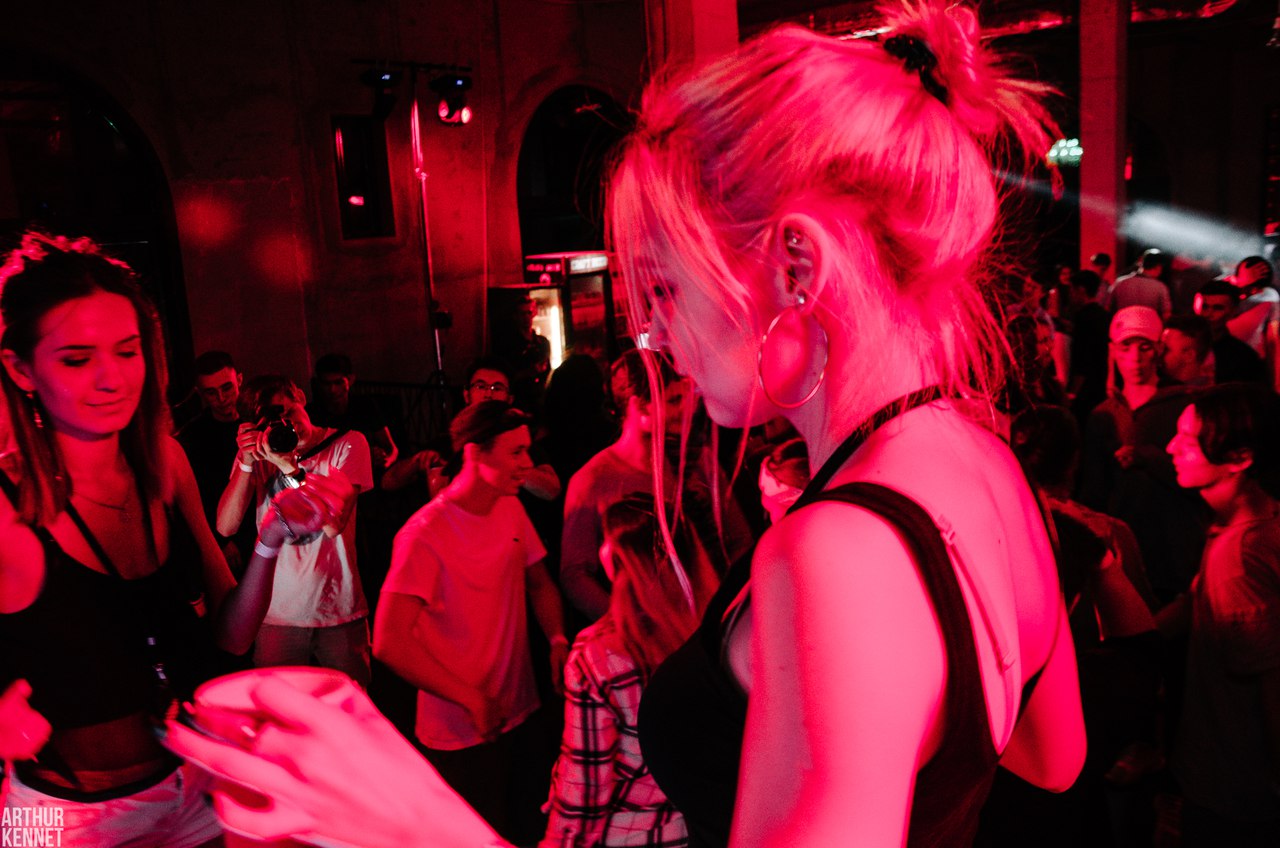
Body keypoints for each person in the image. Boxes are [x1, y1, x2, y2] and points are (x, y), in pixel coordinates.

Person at [164, 5, 1086, 847]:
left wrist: (409, 819)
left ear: (795, 266)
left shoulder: (837, 552)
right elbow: (1051, 756)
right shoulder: (984, 461)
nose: (652, 333)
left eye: (665, 289)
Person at [0, 231, 346, 846]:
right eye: (77, 359)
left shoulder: (165, 461)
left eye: (127, 351)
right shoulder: (9, 503)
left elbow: (232, 635)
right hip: (65, 814)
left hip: (193, 781)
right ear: (21, 368)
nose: (111, 378)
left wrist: (269, 542)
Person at [374, 401, 568, 844]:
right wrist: (470, 699)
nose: (527, 464)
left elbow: (539, 581)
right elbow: (388, 641)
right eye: (516, 452)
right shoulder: (425, 534)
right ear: (475, 452)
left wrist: (557, 639)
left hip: (520, 712)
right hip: (459, 734)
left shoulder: (509, 506)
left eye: (527, 450)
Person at [541, 494, 718, 848]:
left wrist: (557, 842)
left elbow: (585, 789)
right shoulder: (718, 631)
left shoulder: (599, 656)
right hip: (699, 830)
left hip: (629, 835)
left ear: (615, 559)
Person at [1163, 384, 1280, 846]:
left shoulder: (1240, 559)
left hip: (1235, 793)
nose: (1171, 448)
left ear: (1239, 458)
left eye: (1189, 440)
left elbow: (1271, 688)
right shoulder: (1244, 525)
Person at [216, 374, 374, 688]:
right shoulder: (262, 454)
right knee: (279, 708)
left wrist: (288, 466)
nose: (288, 424)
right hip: (277, 614)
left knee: (350, 704)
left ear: (301, 397)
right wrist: (246, 462)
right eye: (274, 420)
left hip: (339, 609)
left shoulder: (347, 442)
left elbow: (333, 524)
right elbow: (225, 525)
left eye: (288, 412)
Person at [176, 350, 254, 573]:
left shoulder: (257, 420)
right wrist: (221, 541)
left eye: (226, 388)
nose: (221, 398)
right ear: (199, 393)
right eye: (211, 393)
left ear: (239, 380)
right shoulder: (192, 438)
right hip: (227, 538)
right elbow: (193, 499)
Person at [1105, 249, 1172, 318]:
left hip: (1123, 323)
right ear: (1158, 267)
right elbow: (1166, 314)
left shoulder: (1119, 282)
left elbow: (1107, 307)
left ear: (1141, 263)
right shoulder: (1160, 287)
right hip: (1149, 324)